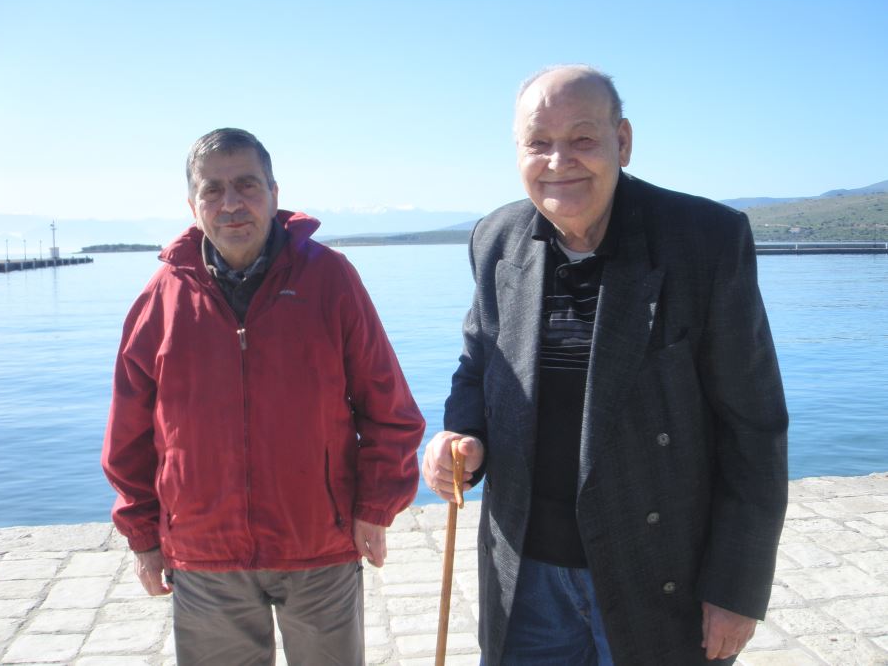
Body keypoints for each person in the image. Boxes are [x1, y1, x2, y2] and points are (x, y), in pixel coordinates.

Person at [422, 65, 788, 665]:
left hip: (658, 572)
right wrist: (461, 436)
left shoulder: (705, 239)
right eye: (539, 142)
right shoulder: (495, 238)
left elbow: (754, 426)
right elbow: (478, 363)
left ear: (623, 141)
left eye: (583, 139)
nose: (558, 160)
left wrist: (736, 588)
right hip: (526, 577)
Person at [102, 127, 424, 665]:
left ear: (274, 194)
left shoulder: (330, 279)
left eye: (247, 185)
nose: (231, 203)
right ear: (193, 205)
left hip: (318, 546)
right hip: (206, 554)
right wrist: (142, 536)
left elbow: (390, 410)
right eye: (212, 189)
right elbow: (128, 434)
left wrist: (375, 507)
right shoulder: (162, 297)